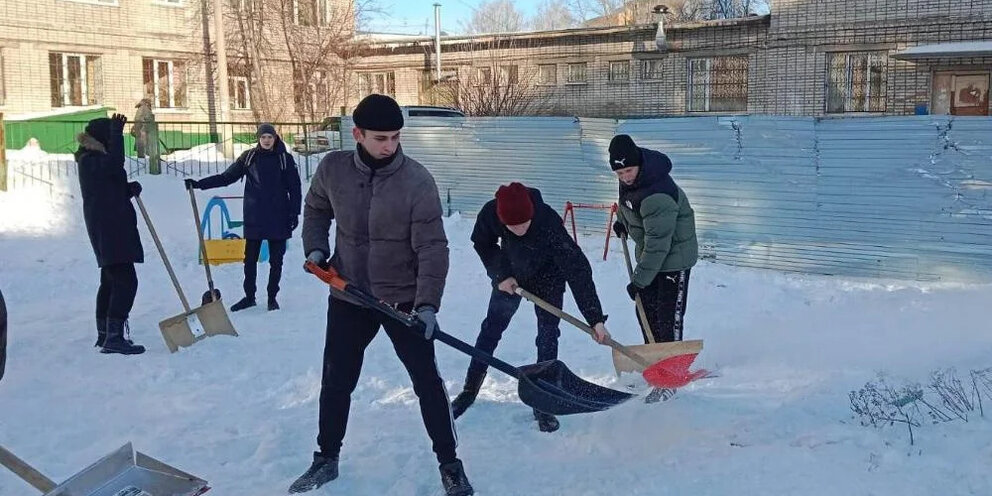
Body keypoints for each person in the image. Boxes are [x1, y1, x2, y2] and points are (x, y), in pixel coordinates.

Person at [292, 94, 472, 495]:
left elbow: (432, 248)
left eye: (395, 137)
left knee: (427, 383)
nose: (389, 146)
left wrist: (427, 305)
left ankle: (450, 464)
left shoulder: (416, 181)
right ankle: (326, 458)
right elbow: (316, 207)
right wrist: (316, 248)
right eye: (380, 138)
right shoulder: (333, 169)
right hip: (349, 295)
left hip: (402, 301)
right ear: (357, 134)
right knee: (336, 380)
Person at [449, 182, 611, 432]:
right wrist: (501, 275)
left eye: (524, 223)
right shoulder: (491, 213)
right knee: (491, 330)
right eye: (512, 227)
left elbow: (577, 270)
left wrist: (595, 319)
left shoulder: (547, 221)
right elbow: (482, 242)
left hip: (548, 277)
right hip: (511, 276)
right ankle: (469, 390)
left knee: (548, 335)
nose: (520, 229)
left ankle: (543, 404)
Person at [608, 134, 698, 401]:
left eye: (628, 170)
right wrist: (624, 222)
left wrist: (640, 279)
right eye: (619, 172)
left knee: (667, 319)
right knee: (646, 314)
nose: (624, 177)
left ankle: (671, 379)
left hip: (674, 259)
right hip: (652, 256)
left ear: (639, 166)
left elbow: (660, 243)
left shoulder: (657, 192)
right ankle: (656, 370)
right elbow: (629, 205)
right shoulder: (632, 181)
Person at [185, 123, 302, 312]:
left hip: (279, 216)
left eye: (269, 137)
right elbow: (226, 177)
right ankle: (249, 297)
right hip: (255, 215)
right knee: (249, 260)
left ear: (275, 139)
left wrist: (294, 212)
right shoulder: (249, 158)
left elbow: (294, 187)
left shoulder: (284, 159)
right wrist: (199, 184)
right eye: (263, 137)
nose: (266, 140)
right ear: (258, 139)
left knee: (276, 261)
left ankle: (272, 297)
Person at [77, 114, 147, 355]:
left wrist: (127, 190)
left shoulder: (97, 159)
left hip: (111, 226)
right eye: (111, 134)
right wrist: (118, 134)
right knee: (126, 281)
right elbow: (115, 166)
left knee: (110, 281)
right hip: (109, 229)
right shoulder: (90, 159)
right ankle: (113, 336)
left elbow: (107, 190)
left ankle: (106, 334)